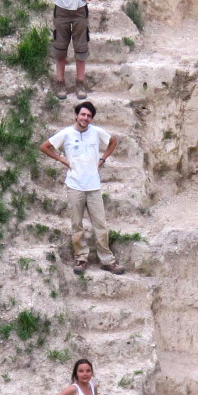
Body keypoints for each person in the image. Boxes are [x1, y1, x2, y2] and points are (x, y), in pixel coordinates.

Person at [41, 95, 119, 276]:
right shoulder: (66, 134)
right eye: (82, 114)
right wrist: (61, 159)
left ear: (91, 118)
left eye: (89, 116)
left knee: (100, 224)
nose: (85, 118)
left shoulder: (96, 132)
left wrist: (103, 158)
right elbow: (45, 146)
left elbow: (112, 141)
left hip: (93, 185)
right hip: (75, 185)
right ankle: (81, 258)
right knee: (77, 224)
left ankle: (107, 260)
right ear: (76, 115)